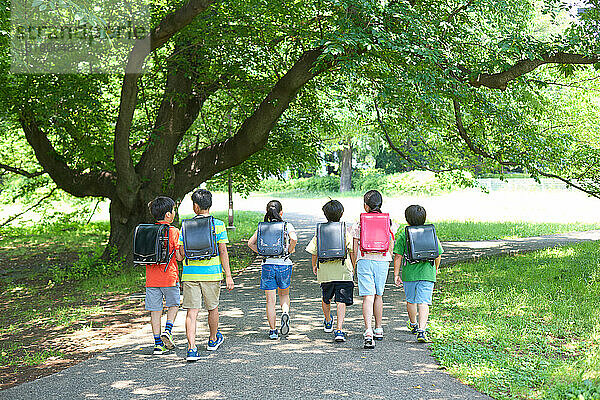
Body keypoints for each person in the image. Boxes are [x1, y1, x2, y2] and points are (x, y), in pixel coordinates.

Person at [177, 189, 234, 360]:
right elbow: (223, 252)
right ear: (209, 204)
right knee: (213, 308)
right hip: (212, 274)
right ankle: (212, 340)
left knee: (191, 313)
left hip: (190, 275)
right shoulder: (219, 225)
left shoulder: (185, 226)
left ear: (195, 206)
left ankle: (192, 349)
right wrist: (229, 276)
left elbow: (180, 255)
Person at [351, 190, 397, 349]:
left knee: (367, 297)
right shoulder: (389, 221)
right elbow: (391, 242)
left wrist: (353, 264)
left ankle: (368, 331)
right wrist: (388, 257)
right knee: (379, 295)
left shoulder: (359, 222)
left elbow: (355, 245)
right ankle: (379, 328)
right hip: (382, 260)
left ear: (365, 206)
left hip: (364, 259)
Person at [305, 199, 356, 342]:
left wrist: (314, 265)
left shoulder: (320, 232)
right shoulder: (344, 231)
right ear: (341, 214)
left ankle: (328, 321)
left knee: (326, 298)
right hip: (343, 271)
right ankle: (339, 330)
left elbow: (314, 252)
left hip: (325, 272)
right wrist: (353, 266)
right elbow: (352, 250)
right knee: (341, 301)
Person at [393, 205, 443, 343]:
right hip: (427, 273)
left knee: (411, 300)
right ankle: (422, 330)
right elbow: (437, 254)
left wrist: (396, 274)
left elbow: (398, 256)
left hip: (409, 274)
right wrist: (436, 269)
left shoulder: (404, 234)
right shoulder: (431, 233)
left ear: (407, 220)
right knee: (424, 302)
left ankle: (413, 324)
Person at [248, 200, 297, 340]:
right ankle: (285, 312)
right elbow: (294, 238)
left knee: (270, 300)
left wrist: (261, 252)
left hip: (267, 265)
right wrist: (289, 249)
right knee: (284, 294)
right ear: (281, 212)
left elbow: (250, 243)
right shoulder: (287, 225)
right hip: (284, 265)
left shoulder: (262, 227)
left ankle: (273, 331)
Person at [145, 196, 180, 355]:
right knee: (173, 304)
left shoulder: (147, 232)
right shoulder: (173, 232)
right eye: (173, 211)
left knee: (155, 310)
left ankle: (158, 344)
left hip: (151, 278)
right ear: (167, 215)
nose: (174, 213)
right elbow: (179, 257)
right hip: (170, 277)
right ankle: (168, 330)